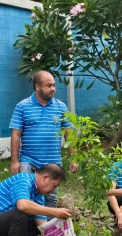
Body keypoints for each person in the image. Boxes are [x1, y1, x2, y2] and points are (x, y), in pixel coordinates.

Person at [9, 70, 78, 209]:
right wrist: (15, 161)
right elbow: (16, 135)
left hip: (53, 162)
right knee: (24, 196)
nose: (53, 89)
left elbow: (68, 133)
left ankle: (48, 229)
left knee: (50, 199)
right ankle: (27, 228)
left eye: (54, 85)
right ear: (37, 86)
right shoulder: (22, 106)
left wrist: (74, 157)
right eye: (48, 85)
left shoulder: (61, 107)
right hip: (28, 160)